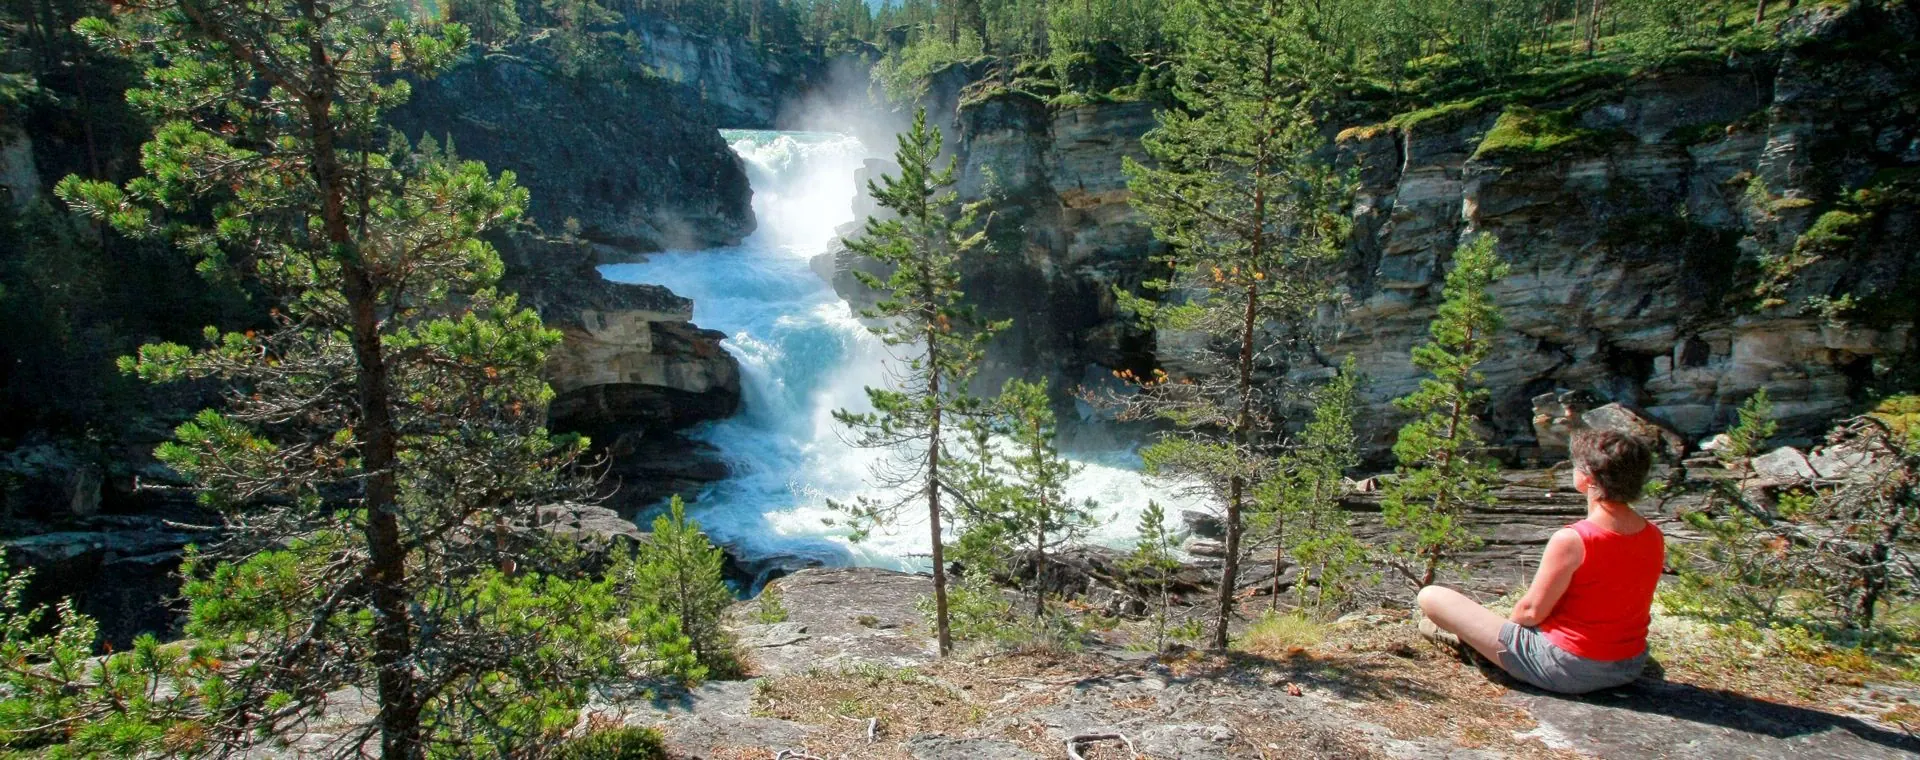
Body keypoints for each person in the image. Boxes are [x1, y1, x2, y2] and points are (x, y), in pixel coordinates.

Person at [1415, 428, 1663, 694]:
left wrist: (1504, 635)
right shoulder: (1653, 534)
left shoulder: (1574, 539)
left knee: (1431, 596)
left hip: (1569, 668)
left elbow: (1530, 612)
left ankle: (1481, 651)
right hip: (1628, 664)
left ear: (1586, 478)